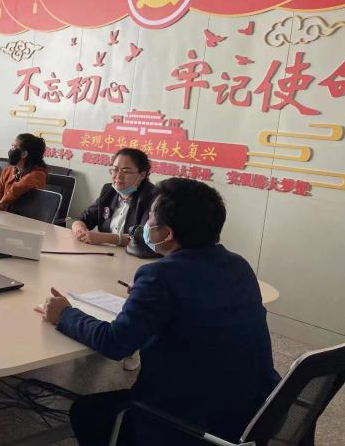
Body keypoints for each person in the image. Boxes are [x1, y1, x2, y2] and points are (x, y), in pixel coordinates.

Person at [42, 178, 280, 446]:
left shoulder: (160, 275)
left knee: (87, 412)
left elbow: (115, 343)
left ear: (166, 234)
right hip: (260, 413)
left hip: (193, 421)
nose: (145, 224)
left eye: (151, 218)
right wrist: (149, 301)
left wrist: (65, 314)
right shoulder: (239, 266)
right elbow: (199, 305)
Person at [69, 148, 155, 248]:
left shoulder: (152, 198)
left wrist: (103, 238)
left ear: (142, 175)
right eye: (115, 169)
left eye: (126, 172)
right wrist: (80, 230)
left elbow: (145, 238)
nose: (118, 176)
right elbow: (83, 219)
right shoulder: (109, 191)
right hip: (106, 253)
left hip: (135, 256)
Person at [0, 133, 47, 211]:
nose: (11, 151)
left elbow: (17, 188)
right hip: (2, 215)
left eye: (14, 147)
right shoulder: (8, 171)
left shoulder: (38, 174)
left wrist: (1, 204)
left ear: (24, 154)